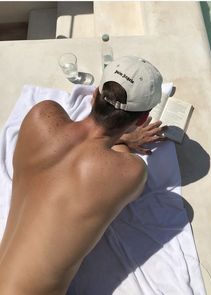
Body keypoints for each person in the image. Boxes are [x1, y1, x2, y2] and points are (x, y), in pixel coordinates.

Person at [0, 56, 166, 295]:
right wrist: (123, 140)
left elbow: (82, 146)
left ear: (95, 94)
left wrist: (118, 137)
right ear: (140, 119)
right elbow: (106, 158)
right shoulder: (131, 172)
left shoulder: (41, 114)